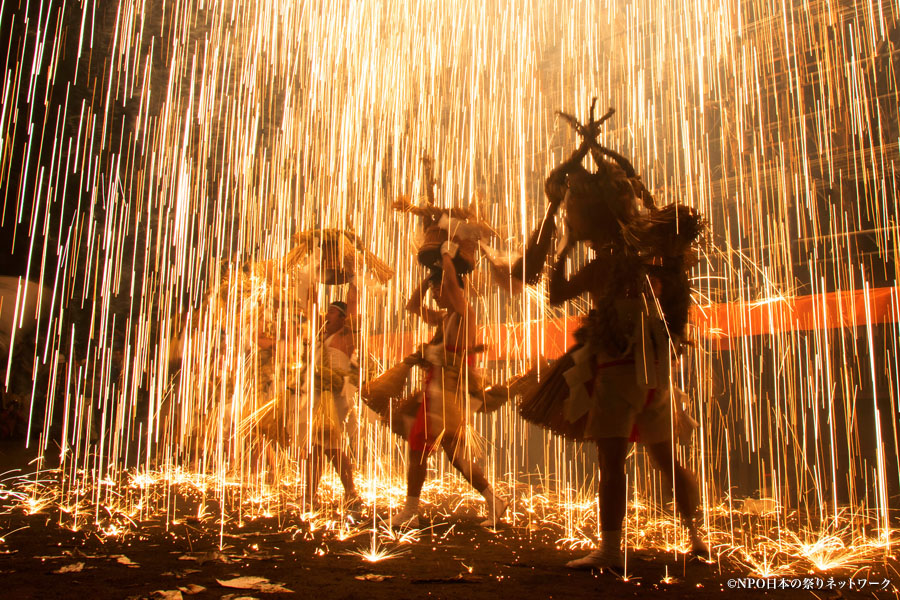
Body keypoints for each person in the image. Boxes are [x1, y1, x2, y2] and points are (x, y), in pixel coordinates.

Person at [517, 104, 708, 571]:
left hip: (618, 374)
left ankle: (609, 547)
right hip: (656, 375)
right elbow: (644, 193)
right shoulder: (652, 256)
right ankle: (698, 536)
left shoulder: (604, 266)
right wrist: (600, 152)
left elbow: (554, 292)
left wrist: (562, 245)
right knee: (666, 460)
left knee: (612, 464)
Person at [392, 244, 508, 528]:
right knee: (452, 454)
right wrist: (429, 274)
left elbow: (455, 287)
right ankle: (494, 500)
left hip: (445, 394)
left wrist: (445, 254)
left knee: (422, 448)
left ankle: (411, 511)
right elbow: (412, 306)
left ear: (450, 286)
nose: (433, 294)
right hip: (436, 391)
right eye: (432, 289)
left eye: (436, 288)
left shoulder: (464, 312)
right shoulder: (445, 319)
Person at [304, 279, 361, 510]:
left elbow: (353, 306)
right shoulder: (324, 336)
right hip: (322, 394)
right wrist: (313, 273)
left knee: (326, 445)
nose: (325, 315)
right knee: (321, 446)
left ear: (343, 317)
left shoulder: (347, 336)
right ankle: (314, 495)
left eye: (331, 312)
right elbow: (310, 304)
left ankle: (347, 494)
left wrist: (353, 280)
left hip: (337, 395)